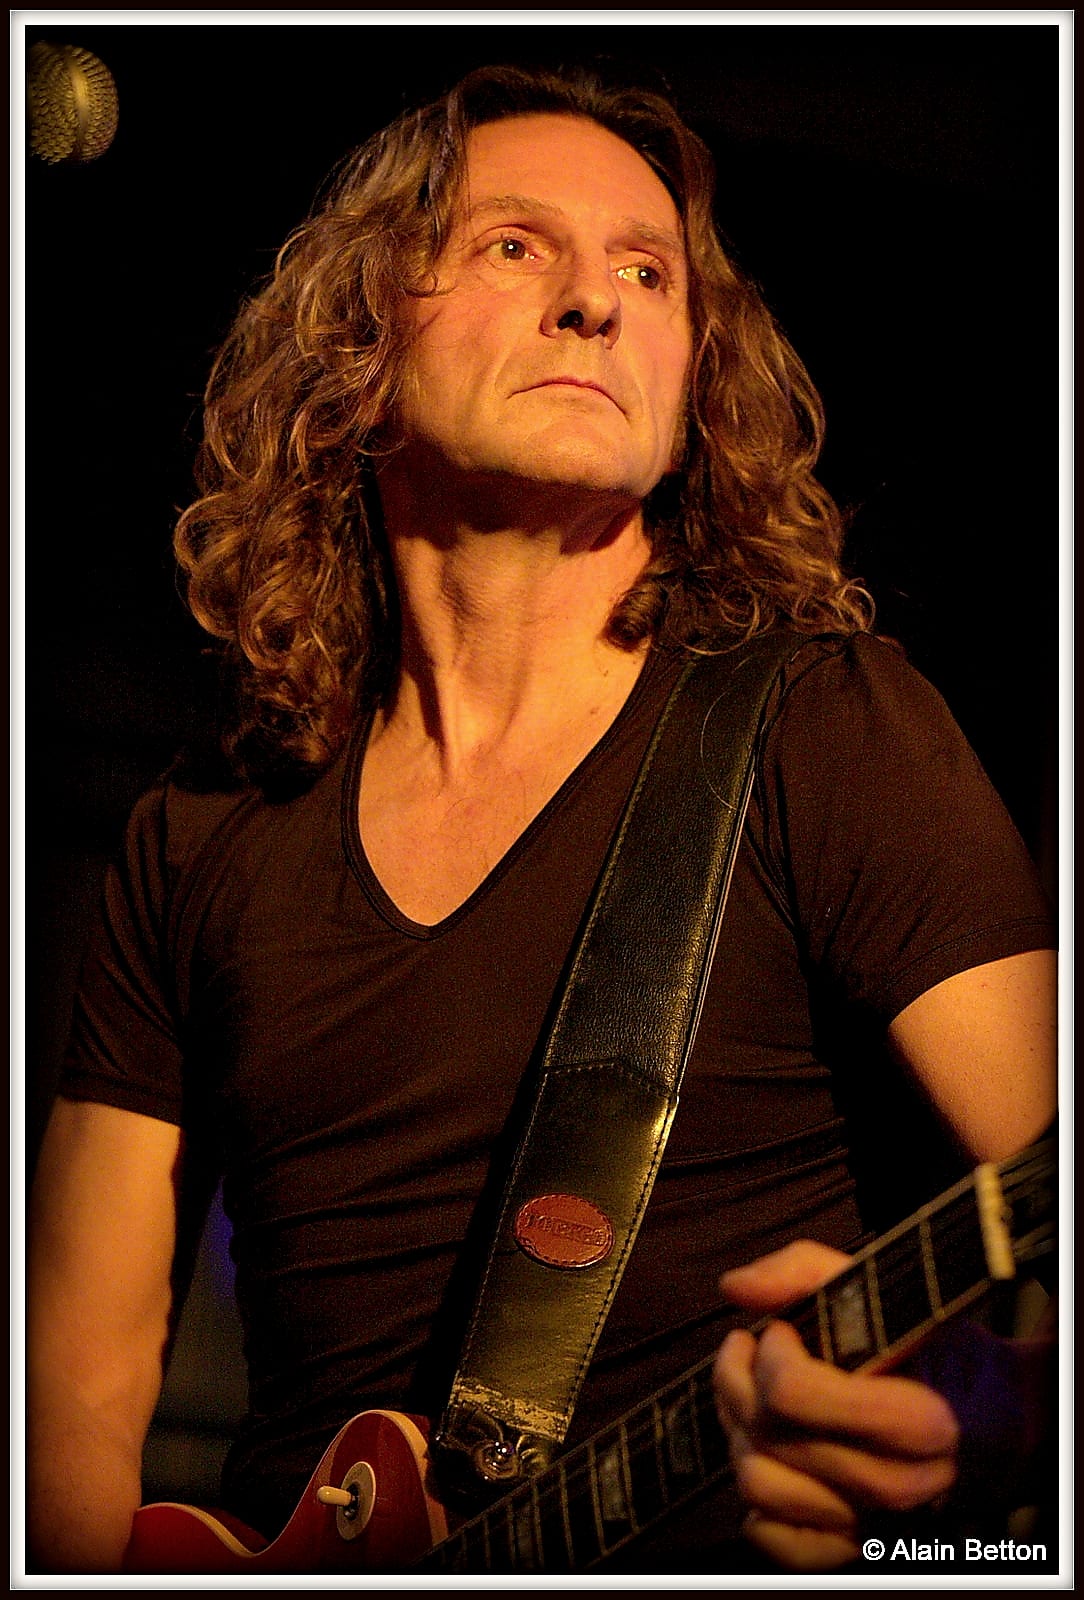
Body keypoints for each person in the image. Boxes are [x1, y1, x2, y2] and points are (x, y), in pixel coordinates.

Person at [27, 64, 1056, 1575]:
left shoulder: (825, 727)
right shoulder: (199, 832)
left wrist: (1003, 1418)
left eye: (648, 273)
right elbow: (79, 1383)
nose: (595, 303)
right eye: (516, 246)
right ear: (360, 335)